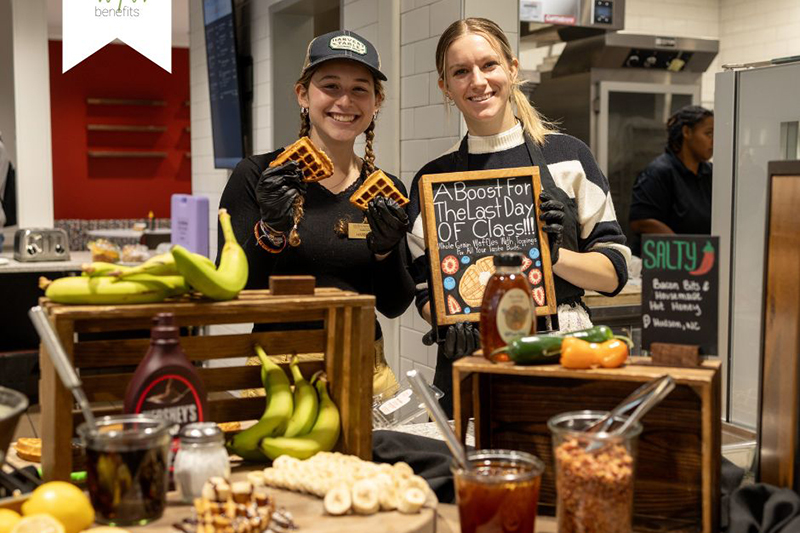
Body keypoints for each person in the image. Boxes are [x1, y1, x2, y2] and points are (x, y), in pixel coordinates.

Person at [407, 18, 631, 416]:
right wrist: (448, 321)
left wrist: (554, 254)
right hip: (472, 357)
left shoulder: (570, 157)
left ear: (512, 69)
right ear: (445, 87)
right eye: (461, 71)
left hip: (561, 350)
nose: (477, 81)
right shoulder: (434, 181)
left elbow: (614, 273)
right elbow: (426, 290)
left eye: (489, 65)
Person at [218, 30, 414, 399]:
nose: (345, 100)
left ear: (376, 102)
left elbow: (393, 305)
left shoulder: (387, 190)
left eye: (360, 89)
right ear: (303, 95)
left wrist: (386, 251)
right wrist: (271, 230)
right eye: (330, 86)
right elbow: (234, 295)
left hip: (367, 373)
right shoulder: (258, 176)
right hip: (277, 374)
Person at [629, 106, 714, 255]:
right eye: (709, 134)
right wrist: (683, 251)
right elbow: (641, 221)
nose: (714, 141)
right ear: (687, 132)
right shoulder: (659, 172)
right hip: (666, 265)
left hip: (701, 261)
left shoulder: (710, 173)